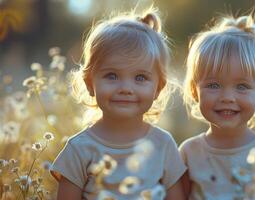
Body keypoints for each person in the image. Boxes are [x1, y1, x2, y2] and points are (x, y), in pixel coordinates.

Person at [50, 7, 186, 200]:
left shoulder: (163, 145)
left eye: (140, 77)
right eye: (112, 75)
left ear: (158, 89)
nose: (125, 88)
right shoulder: (79, 149)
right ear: (90, 84)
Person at [180, 13, 255, 199]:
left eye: (241, 86)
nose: (227, 97)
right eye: (214, 85)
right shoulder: (187, 153)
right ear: (195, 92)